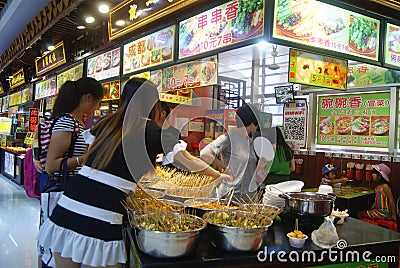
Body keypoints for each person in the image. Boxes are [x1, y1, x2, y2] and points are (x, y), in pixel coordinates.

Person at [37, 78, 228, 268]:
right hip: (102, 214)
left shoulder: (107, 123)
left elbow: (96, 158)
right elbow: (189, 161)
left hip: (67, 206)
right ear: (153, 104)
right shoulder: (153, 131)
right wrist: (217, 175)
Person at [37, 77, 104, 268]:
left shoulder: (77, 123)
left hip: (70, 193)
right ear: (88, 98)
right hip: (60, 192)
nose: (97, 107)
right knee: (54, 249)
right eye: (97, 101)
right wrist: (84, 159)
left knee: (61, 248)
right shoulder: (67, 122)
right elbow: (51, 165)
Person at [200, 103, 260, 201]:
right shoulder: (228, 138)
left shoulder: (250, 141)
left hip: (249, 195)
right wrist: (224, 167)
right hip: (231, 194)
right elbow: (205, 154)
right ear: (252, 121)